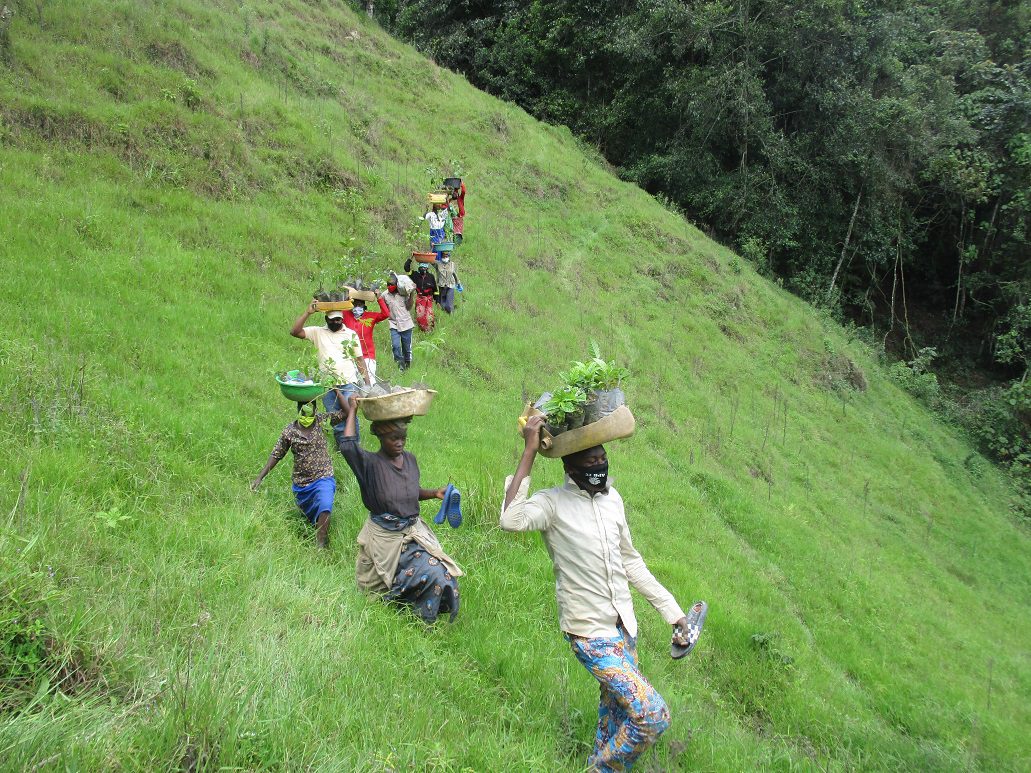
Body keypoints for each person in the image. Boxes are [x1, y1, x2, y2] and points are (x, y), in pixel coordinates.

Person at [500, 416, 704, 772]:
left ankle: (597, 760)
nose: (599, 466)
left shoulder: (613, 501)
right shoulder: (552, 504)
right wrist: (530, 449)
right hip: (589, 633)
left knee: (614, 720)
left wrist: (673, 613)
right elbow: (510, 520)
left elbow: (631, 562)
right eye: (590, 461)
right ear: (570, 466)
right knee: (652, 714)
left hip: (624, 629)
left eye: (602, 458)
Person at [338, 395, 462, 622]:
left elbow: (408, 492)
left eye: (403, 438)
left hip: (413, 532)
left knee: (442, 572)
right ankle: (403, 605)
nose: (400, 443)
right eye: (394, 438)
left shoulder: (410, 460)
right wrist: (353, 410)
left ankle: (425, 615)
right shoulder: (370, 464)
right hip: (386, 537)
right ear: (381, 437)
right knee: (427, 573)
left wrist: (434, 493)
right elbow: (347, 446)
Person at [251, 395, 346, 549]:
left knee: (325, 504)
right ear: (298, 410)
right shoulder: (290, 431)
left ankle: (320, 546)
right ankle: (315, 528)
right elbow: (276, 454)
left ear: (315, 411)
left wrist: (337, 391)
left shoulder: (322, 421)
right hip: (302, 485)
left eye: (310, 412)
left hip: (324, 476)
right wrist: (259, 478)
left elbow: (346, 413)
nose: (306, 416)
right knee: (311, 518)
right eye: (303, 411)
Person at [290, 301, 369, 446]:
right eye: (332, 320)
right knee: (335, 418)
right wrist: (308, 312)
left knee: (351, 415)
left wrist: (367, 384)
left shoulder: (350, 334)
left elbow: (359, 360)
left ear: (342, 319)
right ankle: (341, 447)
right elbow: (294, 332)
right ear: (326, 319)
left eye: (338, 319)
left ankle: (355, 447)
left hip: (348, 382)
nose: (335, 322)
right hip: (327, 385)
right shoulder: (317, 332)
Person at [342, 295, 390, 380]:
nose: (357, 307)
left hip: (367, 355)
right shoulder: (345, 315)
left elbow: (386, 314)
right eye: (355, 305)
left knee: (370, 380)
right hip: (351, 355)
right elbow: (336, 313)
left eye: (359, 305)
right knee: (353, 381)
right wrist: (346, 302)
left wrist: (379, 298)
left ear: (364, 307)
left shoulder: (370, 316)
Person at [382, 276, 414, 371]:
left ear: (397, 285)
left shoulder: (403, 293)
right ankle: (400, 366)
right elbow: (383, 309)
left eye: (391, 284)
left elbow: (409, 307)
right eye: (388, 284)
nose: (389, 286)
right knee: (395, 346)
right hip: (393, 324)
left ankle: (407, 365)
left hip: (406, 323)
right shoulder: (384, 295)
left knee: (406, 349)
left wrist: (412, 294)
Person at [406, 259, 438, 332]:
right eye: (421, 267)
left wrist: (437, 301)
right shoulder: (415, 275)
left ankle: (430, 330)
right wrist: (410, 258)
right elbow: (406, 268)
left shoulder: (431, 276)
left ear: (427, 268)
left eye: (424, 267)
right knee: (420, 315)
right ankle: (423, 330)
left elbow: (435, 290)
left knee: (429, 315)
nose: (422, 269)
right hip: (420, 299)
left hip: (429, 299)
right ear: (419, 268)